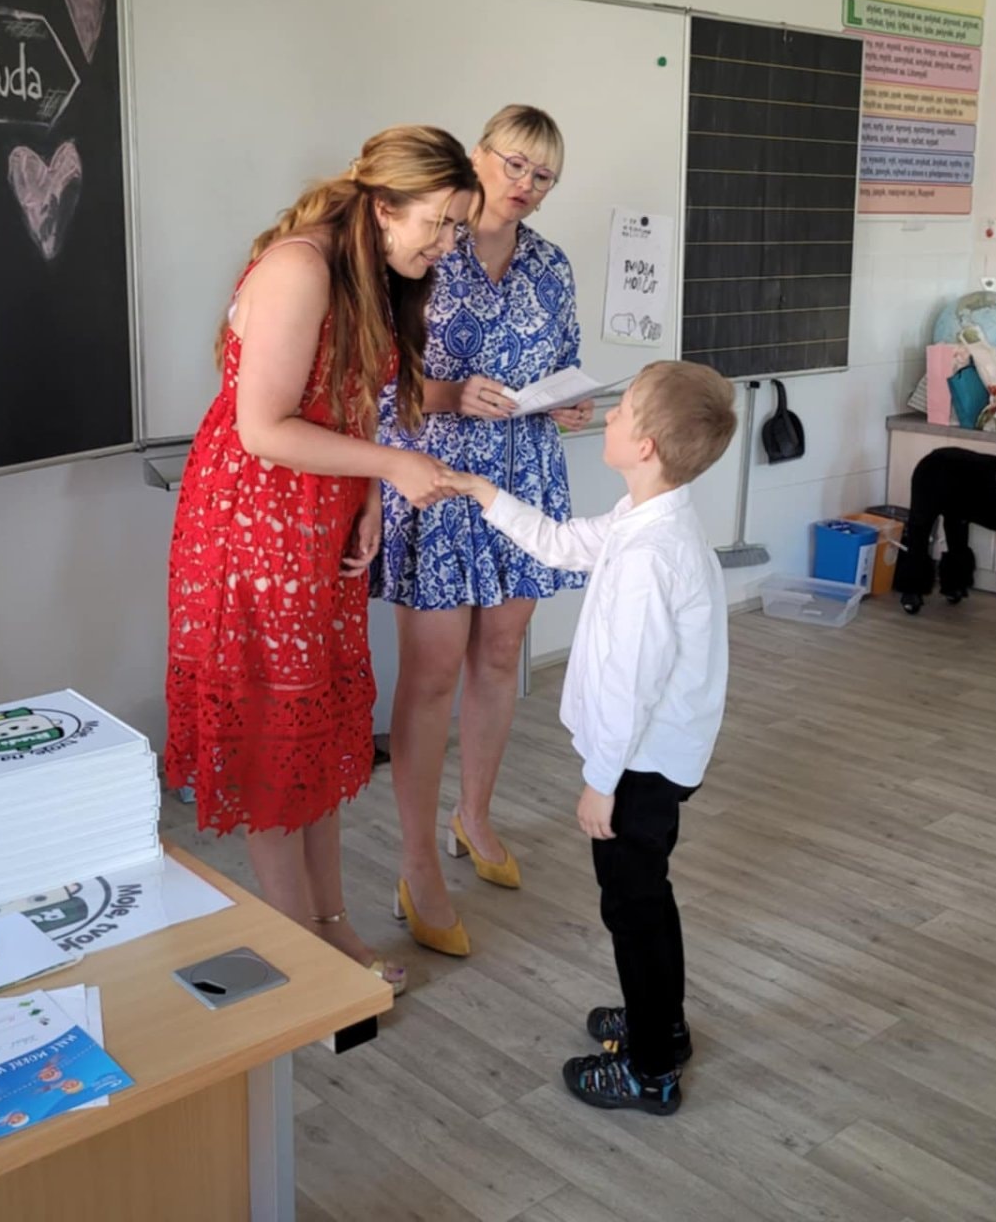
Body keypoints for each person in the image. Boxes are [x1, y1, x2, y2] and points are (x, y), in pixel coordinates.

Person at [165, 126, 478, 997]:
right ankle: (299, 950)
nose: (448, 245)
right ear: (384, 207)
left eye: (458, 228)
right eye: (441, 223)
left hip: (318, 520)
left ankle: (330, 925)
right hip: (254, 527)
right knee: (276, 741)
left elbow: (353, 400)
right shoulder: (299, 268)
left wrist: (369, 494)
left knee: (311, 739)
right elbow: (264, 428)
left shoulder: (370, 273)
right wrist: (393, 468)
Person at [441, 361, 738, 1114]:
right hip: (652, 760)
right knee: (645, 900)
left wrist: (601, 782)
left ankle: (650, 1068)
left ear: (645, 446)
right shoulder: (646, 517)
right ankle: (660, 1023)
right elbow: (561, 543)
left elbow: (628, 689)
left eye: (621, 410)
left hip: (639, 766)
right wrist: (482, 492)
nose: (605, 415)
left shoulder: (649, 556)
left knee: (632, 910)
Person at [375, 105, 589, 958]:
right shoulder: (427, 242)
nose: (526, 184)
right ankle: (417, 861)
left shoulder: (550, 263)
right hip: (433, 475)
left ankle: (475, 816)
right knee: (431, 674)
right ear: (478, 156)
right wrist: (449, 394)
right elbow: (374, 378)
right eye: (515, 164)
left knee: (501, 656)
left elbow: (563, 363)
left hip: (524, 473)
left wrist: (567, 403)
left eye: (544, 175)